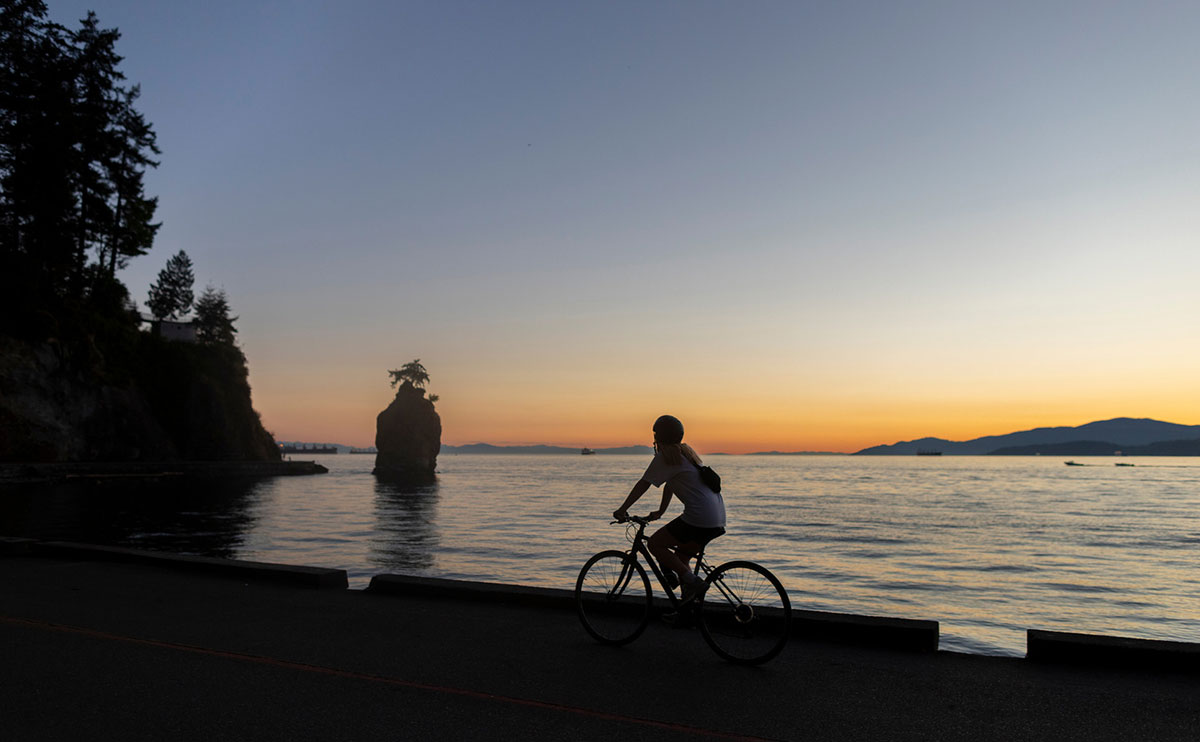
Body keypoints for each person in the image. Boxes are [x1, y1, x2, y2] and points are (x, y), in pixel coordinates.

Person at [612, 414, 726, 601]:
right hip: (717, 517)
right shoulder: (687, 454)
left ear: (658, 437)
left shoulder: (666, 457)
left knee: (655, 544)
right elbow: (671, 484)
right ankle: (687, 608)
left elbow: (644, 483)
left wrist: (622, 509)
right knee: (680, 559)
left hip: (699, 517)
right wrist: (661, 511)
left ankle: (694, 582)